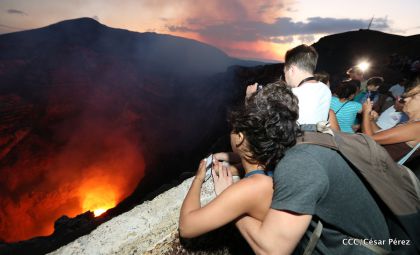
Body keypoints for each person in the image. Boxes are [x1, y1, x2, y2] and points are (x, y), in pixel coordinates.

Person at [179, 81, 299, 238]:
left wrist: (198, 179)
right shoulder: (273, 160)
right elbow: (253, 156)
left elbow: (187, 227)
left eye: (234, 129)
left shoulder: (251, 188)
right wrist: (224, 156)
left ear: (240, 138)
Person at [246, 44, 331, 125]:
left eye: (285, 72)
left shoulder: (291, 96)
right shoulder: (326, 90)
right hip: (319, 139)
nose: (285, 77)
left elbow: (257, 123)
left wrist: (249, 98)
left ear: (292, 70)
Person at [362, 80, 420, 163]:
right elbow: (379, 133)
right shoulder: (412, 123)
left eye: (413, 97)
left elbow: (370, 139)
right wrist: (370, 120)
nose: (406, 99)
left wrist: (366, 113)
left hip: (375, 166)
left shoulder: (417, 127)